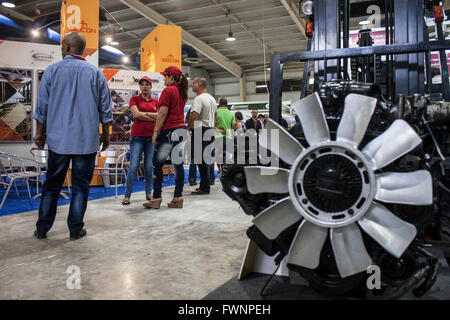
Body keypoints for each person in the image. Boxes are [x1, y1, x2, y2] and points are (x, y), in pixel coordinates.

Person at [32, 32, 113, 240]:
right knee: (80, 187)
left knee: (51, 186)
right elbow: (106, 109)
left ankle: (42, 228)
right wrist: (105, 135)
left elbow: (42, 106)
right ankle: (75, 229)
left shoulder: (52, 71)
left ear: (68, 47)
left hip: (59, 140)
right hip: (86, 141)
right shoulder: (96, 74)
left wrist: (40, 133)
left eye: (62, 46)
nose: (61, 49)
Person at [143, 66, 188, 209]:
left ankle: (156, 198)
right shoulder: (182, 92)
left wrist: (155, 132)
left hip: (169, 131)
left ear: (171, 77)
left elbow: (163, 113)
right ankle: (178, 197)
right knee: (178, 164)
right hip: (181, 129)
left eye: (166, 76)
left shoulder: (168, 90)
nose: (164, 78)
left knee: (157, 164)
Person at [122, 76, 158, 205]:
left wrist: (145, 115)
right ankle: (127, 196)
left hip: (151, 138)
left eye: (146, 84)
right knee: (133, 166)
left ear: (150, 87)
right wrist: (152, 116)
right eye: (142, 84)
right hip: (137, 137)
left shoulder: (156, 101)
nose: (144, 86)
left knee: (149, 167)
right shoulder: (134, 99)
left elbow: (160, 117)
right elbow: (136, 114)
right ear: (139, 87)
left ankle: (149, 193)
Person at [187, 77, 217, 195]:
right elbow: (216, 117)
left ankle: (205, 187)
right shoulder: (212, 99)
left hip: (200, 129)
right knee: (206, 159)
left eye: (193, 83)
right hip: (209, 130)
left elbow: (194, 115)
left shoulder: (199, 99)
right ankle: (205, 185)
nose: (192, 85)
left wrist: (187, 128)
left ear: (199, 85)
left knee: (200, 159)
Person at [214, 97, 235, 174]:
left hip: (217, 137)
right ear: (227, 104)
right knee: (226, 155)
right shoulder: (231, 114)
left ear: (219, 104)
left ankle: (220, 169)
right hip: (228, 137)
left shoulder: (216, 112)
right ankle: (225, 171)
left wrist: (220, 131)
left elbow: (213, 125)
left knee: (218, 155)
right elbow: (232, 126)